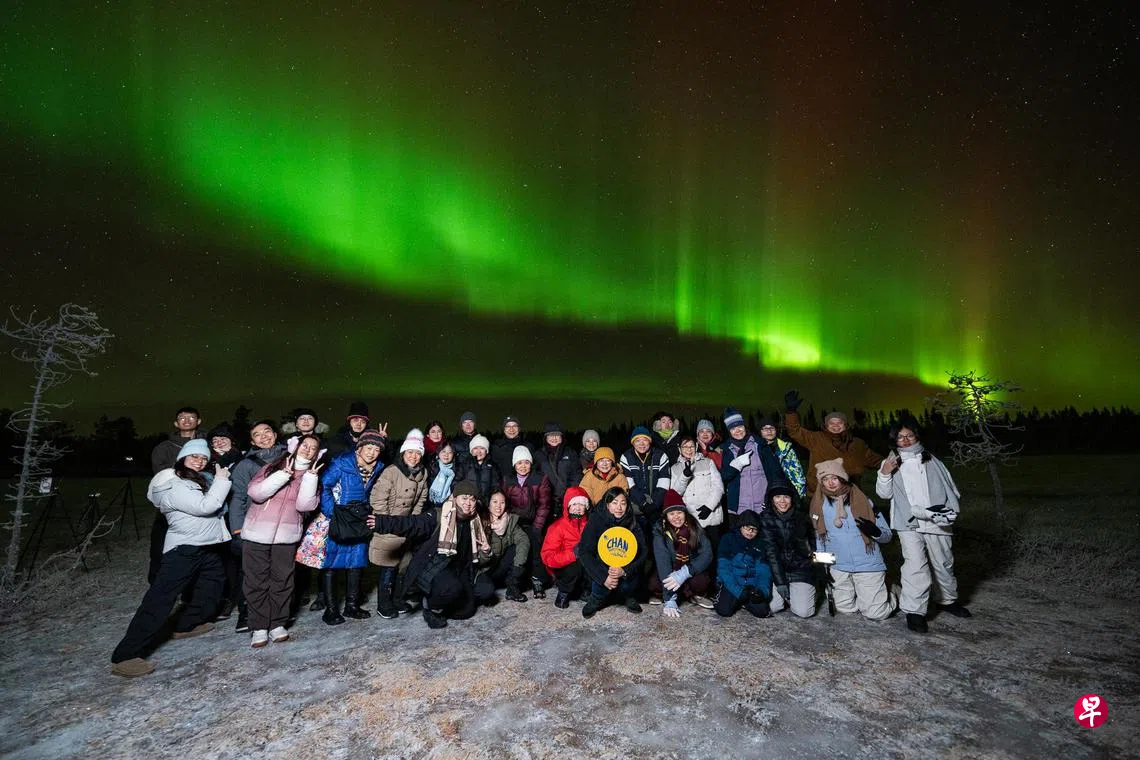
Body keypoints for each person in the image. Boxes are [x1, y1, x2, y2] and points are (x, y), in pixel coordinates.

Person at [111, 439, 231, 677]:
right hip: (183, 550)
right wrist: (222, 480)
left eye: (203, 458)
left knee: (213, 583)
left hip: (205, 547)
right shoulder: (174, 484)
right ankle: (125, 656)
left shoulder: (194, 480)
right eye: (193, 456)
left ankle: (186, 625)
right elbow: (207, 506)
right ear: (182, 459)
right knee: (160, 599)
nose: (199, 461)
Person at [876, 420, 970, 633]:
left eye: (909, 435)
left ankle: (947, 600)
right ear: (894, 441)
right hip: (907, 522)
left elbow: (950, 487)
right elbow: (884, 494)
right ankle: (914, 611)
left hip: (936, 519)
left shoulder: (932, 460)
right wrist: (884, 473)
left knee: (943, 562)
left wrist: (949, 510)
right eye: (901, 437)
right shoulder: (891, 462)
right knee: (915, 566)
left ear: (917, 436)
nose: (905, 440)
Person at [367, 481, 497, 629]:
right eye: (464, 498)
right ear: (454, 498)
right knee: (451, 589)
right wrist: (381, 523)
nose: (468, 503)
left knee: (468, 610)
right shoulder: (440, 515)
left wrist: (486, 552)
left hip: (461, 570)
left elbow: (479, 561)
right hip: (437, 567)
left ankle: (447, 598)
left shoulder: (475, 522)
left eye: (472, 499)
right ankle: (430, 607)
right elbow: (411, 524)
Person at [242, 435, 323, 646]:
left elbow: (305, 506)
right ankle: (259, 626)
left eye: (313, 448)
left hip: (286, 537)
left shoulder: (313, 476)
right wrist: (282, 475)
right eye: (305, 445)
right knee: (256, 581)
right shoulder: (272, 467)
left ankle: (277, 623)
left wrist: (310, 479)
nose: (308, 449)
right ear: (296, 447)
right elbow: (256, 493)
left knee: (283, 580)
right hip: (257, 534)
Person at [811, 459, 895, 621]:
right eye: (825, 479)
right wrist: (821, 566)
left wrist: (876, 532)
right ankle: (865, 596)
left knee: (875, 614)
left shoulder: (864, 501)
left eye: (834, 478)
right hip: (838, 564)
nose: (830, 483)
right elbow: (818, 537)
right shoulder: (818, 505)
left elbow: (887, 536)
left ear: (842, 478)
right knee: (844, 608)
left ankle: (891, 593)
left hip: (867, 562)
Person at [225, 419, 288, 633]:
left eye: (267, 431)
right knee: (254, 575)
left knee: (280, 574)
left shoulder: (289, 458)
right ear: (252, 440)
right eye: (257, 434)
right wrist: (237, 529)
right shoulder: (246, 465)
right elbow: (238, 498)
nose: (264, 436)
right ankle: (249, 616)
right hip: (256, 527)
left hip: (284, 526)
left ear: (275, 434)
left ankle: (277, 619)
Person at [318, 430, 385, 625]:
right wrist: (332, 512)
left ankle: (351, 606)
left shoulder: (378, 467)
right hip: (340, 517)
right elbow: (325, 485)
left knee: (357, 561)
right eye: (369, 448)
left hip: (360, 518)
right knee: (332, 561)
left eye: (376, 449)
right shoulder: (342, 462)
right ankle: (331, 610)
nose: (372, 453)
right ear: (360, 447)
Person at [369, 430, 429, 618]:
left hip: (406, 526)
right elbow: (378, 498)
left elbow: (421, 498)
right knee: (388, 567)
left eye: (418, 453)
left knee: (403, 566)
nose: (414, 456)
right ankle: (383, 604)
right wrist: (385, 521)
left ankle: (397, 599)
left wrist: (414, 521)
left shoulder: (422, 473)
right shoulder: (392, 471)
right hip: (388, 524)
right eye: (410, 452)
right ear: (403, 453)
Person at [784, 390, 884, 496]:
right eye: (831, 423)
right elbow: (795, 431)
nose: (835, 426)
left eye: (839, 422)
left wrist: (898, 463)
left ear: (846, 425)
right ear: (826, 426)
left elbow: (876, 460)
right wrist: (791, 412)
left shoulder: (858, 444)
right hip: (821, 495)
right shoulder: (816, 439)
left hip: (850, 496)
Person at [147, 406, 206, 584]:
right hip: (171, 506)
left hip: (202, 505)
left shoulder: (207, 444)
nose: (187, 421)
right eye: (182, 417)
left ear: (199, 421)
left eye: (191, 417)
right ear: (176, 423)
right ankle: (157, 585)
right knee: (161, 548)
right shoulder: (164, 447)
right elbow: (161, 477)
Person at [577, 487, 648, 618]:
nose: (619, 507)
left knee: (630, 581)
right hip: (602, 567)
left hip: (625, 567)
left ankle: (629, 596)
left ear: (627, 505)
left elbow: (644, 552)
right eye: (614, 503)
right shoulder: (596, 520)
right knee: (601, 578)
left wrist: (625, 570)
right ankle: (596, 598)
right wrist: (604, 577)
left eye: (623, 503)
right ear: (607, 504)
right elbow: (584, 552)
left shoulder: (633, 522)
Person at [651, 492, 715, 617]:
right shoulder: (660, 529)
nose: (676, 517)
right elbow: (662, 558)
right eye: (672, 513)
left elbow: (707, 553)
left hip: (688, 568)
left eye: (679, 512)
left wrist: (686, 571)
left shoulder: (694, 526)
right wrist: (669, 598)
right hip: (670, 568)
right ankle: (670, 595)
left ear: (685, 513)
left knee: (703, 581)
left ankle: (693, 595)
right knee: (653, 582)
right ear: (666, 516)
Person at [758, 482, 817, 618]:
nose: (782, 501)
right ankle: (788, 594)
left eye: (786, 497)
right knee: (773, 607)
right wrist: (780, 582)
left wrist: (815, 571)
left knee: (804, 612)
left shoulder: (802, 517)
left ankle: (804, 592)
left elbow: (811, 547)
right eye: (778, 497)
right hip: (777, 571)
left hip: (799, 570)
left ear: (792, 498)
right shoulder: (765, 518)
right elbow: (771, 552)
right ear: (771, 498)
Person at [502, 445, 553, 598]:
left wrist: (537, 527)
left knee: (536, 549)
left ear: (531, 463)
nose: (523, 466)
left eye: (526, 462)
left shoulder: (540, 478)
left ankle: (538, 580)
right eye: (519, 463)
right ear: (514, 465)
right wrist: (510, 524)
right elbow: (504, 503)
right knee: (519, 550)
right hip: (516, 523)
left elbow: (544, 504)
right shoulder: (507, 480)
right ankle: (516, 583)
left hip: (534, 522)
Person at [719, 408, 783, 522]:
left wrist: (771, 498)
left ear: (745, 426)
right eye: (733, 428)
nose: (737, 430)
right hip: (739, 508)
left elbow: (775, 473)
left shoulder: (760, 445)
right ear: (729, 431)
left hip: (762, 507)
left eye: (740, 426)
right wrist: (737, 465)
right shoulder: (726, 450)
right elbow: (724, 477)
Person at [669, 436, 726, 550]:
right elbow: (676, 493)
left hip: (711, 515)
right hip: (691, 518)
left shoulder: (708, 462)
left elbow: (718, 487)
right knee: (697, 551)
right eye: (685, 446)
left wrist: (710, 506)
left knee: (714, 549)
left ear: (696, 447)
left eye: (691, 446)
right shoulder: (674, 468)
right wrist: (684, 476)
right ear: (679, 449)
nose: (688, 449)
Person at [714, 511, 774, 618]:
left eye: (754, 529)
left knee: (763, 612)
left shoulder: (760, 544)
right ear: (740, 526)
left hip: (751, 584)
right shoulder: (728, 539)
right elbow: (724, 569)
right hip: (733, 582)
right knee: (724, 611)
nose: (750, 532)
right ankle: (735, 598)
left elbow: (764, 571)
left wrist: (762, 591)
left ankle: (743, 602)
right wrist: (738, 591)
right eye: (747, 527)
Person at [540, 487, 591, 608]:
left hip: (584, 562)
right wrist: (573, 554)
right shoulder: (557, 527)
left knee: (592, 562)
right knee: (575, 566)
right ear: (567, 506)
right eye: (574, 504)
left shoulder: (590, 525)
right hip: (563, 566)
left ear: (586, 507)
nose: (578, 508)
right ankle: (563, 593)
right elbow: (548, 556)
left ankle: (587, 590)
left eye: (581, 504)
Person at [480, 490, 530, 602]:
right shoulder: (480, 523)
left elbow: (523, 539)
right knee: (486, 593)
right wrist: (486, 553)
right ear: (488, 504)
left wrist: (518, 566)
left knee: (517, 548)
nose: (499, 506)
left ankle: (512, 588)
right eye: (495, 502)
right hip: (485, 568)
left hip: (499, 567)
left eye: (502, 502)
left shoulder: (508, 520)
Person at [619, 426, 671, 531]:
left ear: (650, 442)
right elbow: (629, 483)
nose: (641, 444)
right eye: (637, 441)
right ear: (633, 443)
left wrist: (655, 504)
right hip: (636, 505)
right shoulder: (626, 457)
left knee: (657, 535)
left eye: (645, 440)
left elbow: (664, 482)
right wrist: (643, 503)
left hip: (656, 505)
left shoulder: (660, 456)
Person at [757, 414, 807, 498]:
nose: (769, 431)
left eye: (772, 428)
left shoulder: (785, 449)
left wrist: (799, 494)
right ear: (760, 431)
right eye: (765, 428)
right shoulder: (756, 449)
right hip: (763, 493)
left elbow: (797, 473)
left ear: (776, 430)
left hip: (784, 492)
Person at [536, 422, 581, 513]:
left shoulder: (571, 453)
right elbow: (535, 476)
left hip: (566, 500)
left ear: (562, 437)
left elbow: (576, 475)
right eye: (550, 435)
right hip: (545, 501)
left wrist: (569, 494)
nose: (554, 438)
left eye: (557, 435)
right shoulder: (538, 455)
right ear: (545, 438)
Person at [491, 415, 531, 480]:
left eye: (514, 426)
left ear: (519, 428)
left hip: (524, 487)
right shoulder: (497, 447)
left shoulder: (528, 446)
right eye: (508, 426)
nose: (511, 429)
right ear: (504, 429)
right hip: (503, 486)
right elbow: (493, 471)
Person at [462, 434, 497, 505]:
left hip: (486, 504)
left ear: (486, 451)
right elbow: (457, 483)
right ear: (471, 451)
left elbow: (496, 485)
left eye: (482, 448)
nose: (478, 451)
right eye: (475, 448)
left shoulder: (492, 466)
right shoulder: (465, 465)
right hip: (469, 503)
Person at [426, 441, 462, 508]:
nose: (446, 454)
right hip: (430, 506)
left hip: (449, 507)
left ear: (453, 455)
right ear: (438, 453)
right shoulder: (431, 468)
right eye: (443, 451)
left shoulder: (458, 472)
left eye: (450, 452)